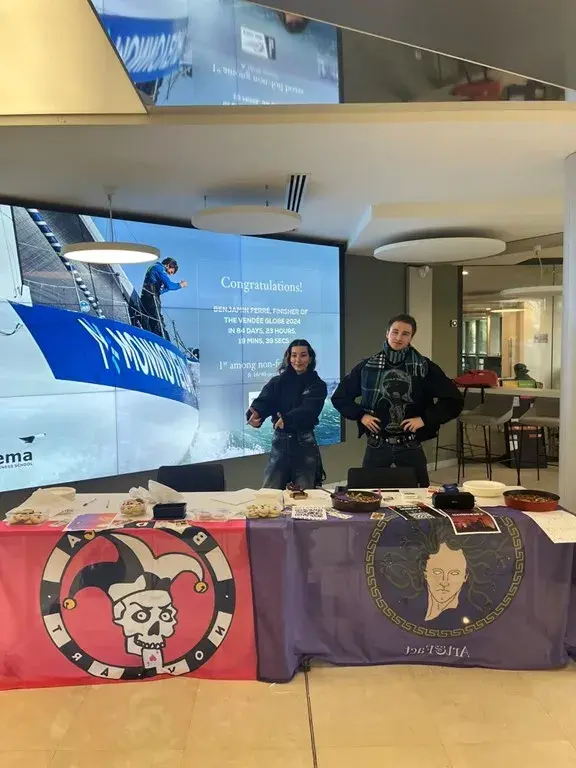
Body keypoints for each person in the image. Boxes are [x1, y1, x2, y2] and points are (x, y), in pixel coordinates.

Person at [331, 314, 463, 487]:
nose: (399, 338)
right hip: (377, 444)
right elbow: (340, 397)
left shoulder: (424, 368)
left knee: (419, 495)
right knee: (369, 494)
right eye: (395, 332)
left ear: (411, 338)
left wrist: (425, 419)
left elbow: (454, 400)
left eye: (405, 334)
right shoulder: (367, 367)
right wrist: (361, 415)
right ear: (387, 333)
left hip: (410, 444)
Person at [247, 340, 327, 489]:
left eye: (303, 355)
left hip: (304, 443)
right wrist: (256, 413)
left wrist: (288, 419)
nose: (298, 360)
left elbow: (309, 409)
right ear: (288, 358)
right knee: (270, 493)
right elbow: (265, 401)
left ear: (310, 358)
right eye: (294, 355)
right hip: (280, 442)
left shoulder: (317, 385)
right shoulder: (277, 382)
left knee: (304, 496)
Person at [140, 258, 187, 339]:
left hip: (147, 297)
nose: (170, 274)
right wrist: (180, 285)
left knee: (150, 321)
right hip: (151, 298)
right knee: (157, 322)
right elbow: (169, 285)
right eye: (171, 272)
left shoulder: (154, 267)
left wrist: (168, 288)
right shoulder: (159, 268)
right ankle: (163, 340)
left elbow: (160, 290)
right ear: (168, 265)